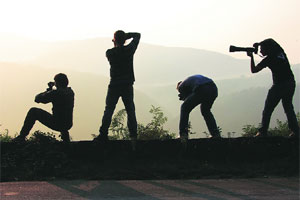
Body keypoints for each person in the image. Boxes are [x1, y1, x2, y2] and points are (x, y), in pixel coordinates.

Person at [93, 30, 141, 144]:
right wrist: (126, 36)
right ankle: (133, 136)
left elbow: (116, 48)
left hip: (114, 84)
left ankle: (103, 134)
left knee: (109, 109)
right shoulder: (129, 50)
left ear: (114, 40)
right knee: (130, 110)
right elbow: (137, 35)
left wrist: (116, 41)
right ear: (124, 40)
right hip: (127, 84)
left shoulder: (110, 53)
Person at [247, 38, 299, 138]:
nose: (261, 51)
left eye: (262, 49)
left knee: (268, 109)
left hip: (279, 85)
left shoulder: (269, 59)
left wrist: (251, 57)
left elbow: (254, 70)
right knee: (288, 108)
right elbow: (272, 41)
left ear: (268, 49)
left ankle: (263, 132)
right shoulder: (280, 52)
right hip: (290, 83)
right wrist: (259, 44)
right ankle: (296, 131)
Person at [13, 73, 75, 143]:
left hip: (58, 123)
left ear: (57, 83)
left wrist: (49, 90)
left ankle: (21, 137)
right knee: (62, 115)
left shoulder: (56, 93)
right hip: (68, 124)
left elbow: (37, 99)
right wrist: (52, 90)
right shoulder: (70, 92)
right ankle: (66, 140)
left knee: (33, 111)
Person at [177, 74, 221, 142]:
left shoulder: (180, 86)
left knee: (184, 108)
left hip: (202, 88)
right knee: (205, 111)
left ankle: (183, 135)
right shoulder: (189, 81)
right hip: (213, 88)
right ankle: (215, 134)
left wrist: (184, 97)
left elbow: (188, 98)